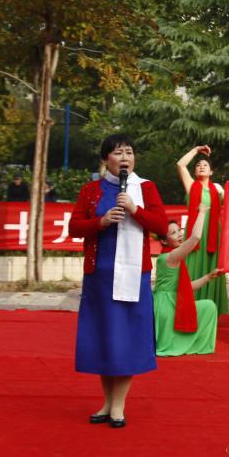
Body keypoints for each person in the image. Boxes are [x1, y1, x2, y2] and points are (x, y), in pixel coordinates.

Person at [69, 134, 168, 429]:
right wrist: (99, 222)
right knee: (105, 338)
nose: (125, 158)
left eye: (129, 152)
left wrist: (136, 210)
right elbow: (74, 227)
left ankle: (119, 406)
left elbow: (162, 226)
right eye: (117, 153)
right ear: (105, 159)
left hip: (134, 275)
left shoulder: (145, 188)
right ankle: (107, 402)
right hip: (99, 276)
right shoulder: (91, 190)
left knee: (125, 339)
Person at [154, 209, 224, 356]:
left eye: (179, 230)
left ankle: (187, 342)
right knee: (208, 306)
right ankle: (190, 344)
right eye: (173, 233)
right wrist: (202, 211)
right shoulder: (171, 257)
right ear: (164, 241)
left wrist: (209, 276)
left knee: (209, 306)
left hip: (167, 302)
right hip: (167, 306)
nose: (180, 234)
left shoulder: (169, 256)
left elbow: (187, 287)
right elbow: (195, 237)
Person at [176, 145, 228, 314]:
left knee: (211, 269)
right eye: (198, 165)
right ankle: (189, 307)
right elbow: (180, 165)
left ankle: (210, 309)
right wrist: (196, 150)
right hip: (195, 234)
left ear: (211, 172)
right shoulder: (191, 185)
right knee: (192, 267)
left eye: (205, 165)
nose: (201, 166)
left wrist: (224, 192)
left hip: (213, 235)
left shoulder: (218, 190)